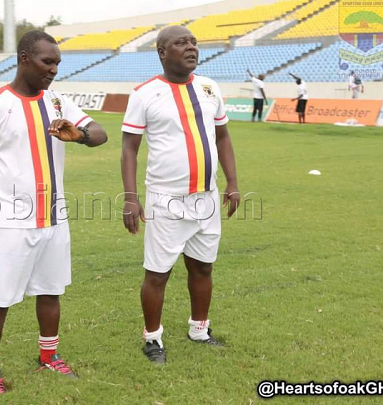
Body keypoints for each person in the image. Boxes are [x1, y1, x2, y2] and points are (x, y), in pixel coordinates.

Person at [0, 30, 107, 394]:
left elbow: (100, 132)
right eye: (48, 62)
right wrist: (4, 199)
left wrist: (79, 136)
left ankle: (49, 357)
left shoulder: (58, 102)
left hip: (54, 216)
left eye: (58, 63)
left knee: (50, 290)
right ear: (25, 59)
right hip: (11, 223)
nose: (54, 70)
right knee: (0, 296)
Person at [121, 25, 240, 364]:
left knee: (203, 268)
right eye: (181, 43)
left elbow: (223, 137)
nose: (191, 48)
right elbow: (129, 148)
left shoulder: (208, 87)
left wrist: (232, 183)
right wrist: (131, 198)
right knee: (158, 273)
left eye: (194, 42)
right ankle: (152, 338)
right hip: (165, 198)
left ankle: (199, 329)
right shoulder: (144, 93)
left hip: (207, 196)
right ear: (162, 52)